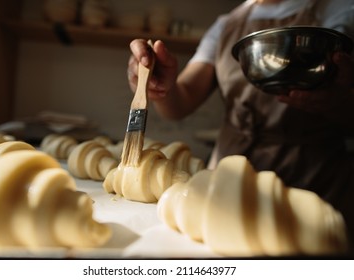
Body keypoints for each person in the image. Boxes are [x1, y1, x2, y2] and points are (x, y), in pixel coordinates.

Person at [127, 0, 354, 249]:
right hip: (226, 184)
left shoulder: (339, 11)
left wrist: (341, 102)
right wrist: (161, 85)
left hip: (314, 181)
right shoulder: (226, 25)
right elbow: (180, 102)